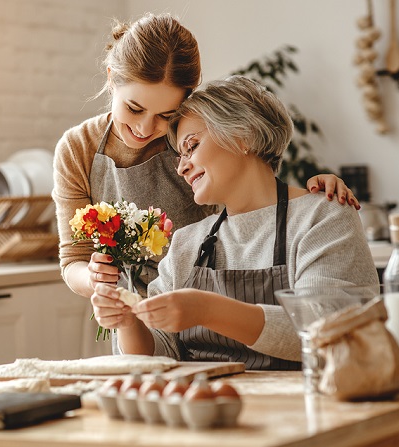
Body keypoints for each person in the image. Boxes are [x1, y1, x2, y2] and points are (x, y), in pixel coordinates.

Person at [52, 13, 359, 354]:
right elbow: (76, 259)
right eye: (134, 108)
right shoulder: (186, 243)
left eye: (167, 119)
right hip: (151, 330)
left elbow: (255, 189)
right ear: (112, 80)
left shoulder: (320, 219)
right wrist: (118, 305)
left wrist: (312, 195)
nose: (144, 128)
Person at [91, 75, 379, 369]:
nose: (182, 167)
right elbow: (160, 354)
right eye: (179, 155)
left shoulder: (322, 217)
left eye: (192, 146)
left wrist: (207, 309)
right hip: (209, 408)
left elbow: (328, 329)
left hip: (303, 406)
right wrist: (128, 322)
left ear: (243, 135)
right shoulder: (186, 243)